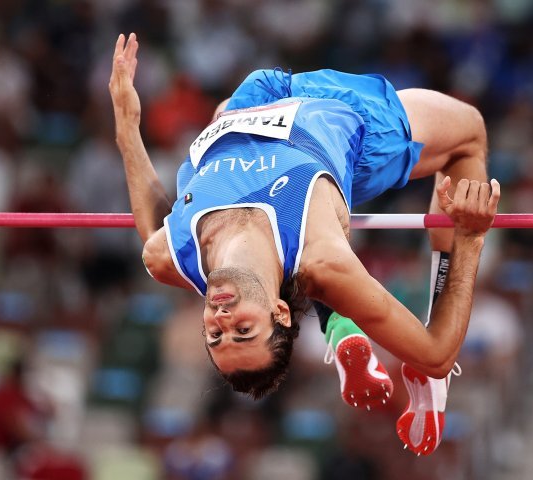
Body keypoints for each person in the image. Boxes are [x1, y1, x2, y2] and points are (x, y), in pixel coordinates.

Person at [109, 33, 499, 456]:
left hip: (251, 102)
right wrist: (472, 237)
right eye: (243, 330)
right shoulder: (322, 260)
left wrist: (127, 126)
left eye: (215, 336)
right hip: (348, 119)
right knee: (469, 133)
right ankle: (421, 376)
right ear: (277, 311)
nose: (221, 319)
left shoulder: (170, 255)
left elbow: (151, 228)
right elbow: (437, 352)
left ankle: (338, 327)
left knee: (222, 108)